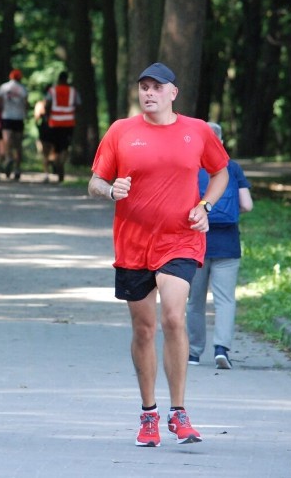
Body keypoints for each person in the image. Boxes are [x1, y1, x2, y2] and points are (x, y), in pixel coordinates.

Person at [88, 62, 230, 448]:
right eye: (143, 87)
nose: (148, 93)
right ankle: (149, 413)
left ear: (173, 93)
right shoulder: (121, 131)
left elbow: (221, 172)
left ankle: (179, 412)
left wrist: (206, 206)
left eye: (156, 87)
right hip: (132, 244)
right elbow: (95, 181)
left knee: (172, 316)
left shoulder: (197, 131)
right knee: (144, 329)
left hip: (180, 240)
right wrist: (110, 190)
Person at [186, 122, 253, 370]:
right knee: (225, 300)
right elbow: (247, 205)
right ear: (221, 143)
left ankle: (193, 352)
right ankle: (221, 349)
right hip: (228, 244)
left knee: (194, 301)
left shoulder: (189, 168)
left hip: (195, 243)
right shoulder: (232, 169)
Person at [45, 71, 80, 182]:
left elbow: (47, 105)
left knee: (55, 146)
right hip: (68, 123)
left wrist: (47, 116)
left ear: (59, 79)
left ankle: (56, 163)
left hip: (54, 123)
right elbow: (78, 105)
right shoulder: (73, 91)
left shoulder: (52, 91)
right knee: (65, 146)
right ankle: (61, 164)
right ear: (67, 79)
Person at [0, 69, 28, 180]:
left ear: (10, 76)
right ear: (20, 77)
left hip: (7, 117)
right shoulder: (22, 88)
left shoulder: (4, 87)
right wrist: (25, 114)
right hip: (19, 118)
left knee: (7, 140)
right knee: (18, 143)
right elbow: (26, 103)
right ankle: (17, 168)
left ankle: (8, 157)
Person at [33, 84, 53, 182]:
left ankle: (46, 173)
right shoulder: (58, 104)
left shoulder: (40, 104)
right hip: (55, 128)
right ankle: (53, 162)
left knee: (45, 152)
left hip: (44, 128)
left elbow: (36, 118)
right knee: (53, 149)